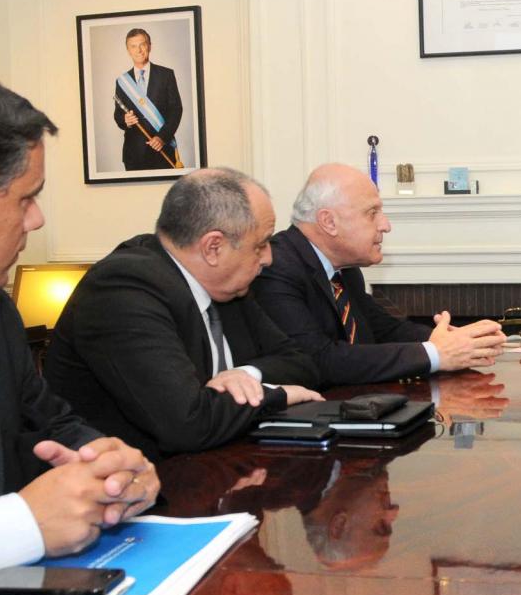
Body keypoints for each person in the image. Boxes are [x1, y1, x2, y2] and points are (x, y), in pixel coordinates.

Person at [0, 66, 158, 595]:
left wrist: (114, 468)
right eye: (26, 198)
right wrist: (22, 524)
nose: (36, 220)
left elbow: (52, 425)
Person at [45, 168, 322, 460]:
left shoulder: (228, 286)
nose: (269, 258)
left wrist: (244, 375)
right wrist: (275, 396)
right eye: (260, 245)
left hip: (221, 464)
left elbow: (302, 363)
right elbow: (187, 423)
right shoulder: (123, 289)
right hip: (137, 478)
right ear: (213, 247)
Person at [251, 164, 507, 385]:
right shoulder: (276, 268)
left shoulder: (345, 271)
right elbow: (317, 360)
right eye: (372, 213)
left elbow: (387, 330)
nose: (386, 225)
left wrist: (456, 339)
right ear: (329, 222)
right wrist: (435, 353)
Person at [113, 28, 183, 171]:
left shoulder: (166, 75)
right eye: (133, 46)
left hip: (162, 150)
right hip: (134, 153)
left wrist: (162, 137)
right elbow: (118, 114)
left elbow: (176, 110)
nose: (139, 50)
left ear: (149, 46)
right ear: (128, 50)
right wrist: (125, 120)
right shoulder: (122, 81)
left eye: (142, 45)